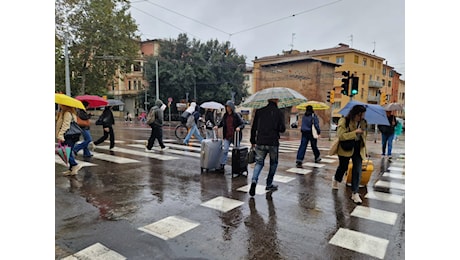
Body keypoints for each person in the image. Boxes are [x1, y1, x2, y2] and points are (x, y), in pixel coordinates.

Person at [248, 98, 286, 196]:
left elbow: (254, 127)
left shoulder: (260, 111)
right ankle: (269, 184)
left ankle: (254, 181)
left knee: (259, 163)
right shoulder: (279, 112)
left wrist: (252, 140)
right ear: (276, 100)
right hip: (273, 142)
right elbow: (282, 129)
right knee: (273, 163)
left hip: (260, 141)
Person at [332, 104, 368, 204]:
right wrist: (355, 132)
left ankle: (355, 193)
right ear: (355, 114)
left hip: (357, 148)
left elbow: (364, 137)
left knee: (357, 170)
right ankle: (336, 179)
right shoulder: (344, 121)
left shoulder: (363, 122)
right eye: (361, 115)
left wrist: (365, 149)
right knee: (343, 167)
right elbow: (341, 136)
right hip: (346, 147)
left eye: (363, 115)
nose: (362, 117)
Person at [213, 100, 245, 171]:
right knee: (225, 150)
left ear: (231, 108)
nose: (227, 108)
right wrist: (217, 126)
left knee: (236, 152)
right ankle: (222, 165)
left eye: (229, 107)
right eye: (227, 107)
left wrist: (239, 127)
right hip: (227, 136)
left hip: (235, 136)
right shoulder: (225, 116)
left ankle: (237, 166)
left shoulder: (236, 115)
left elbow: (242, 124)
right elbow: (221, 123)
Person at [56, 104, 83, 176]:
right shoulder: (66, 112)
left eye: (61, 105)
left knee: (65, 152)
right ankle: (71, 169)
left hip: (69, 136)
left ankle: (74, 165)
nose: (60, 106)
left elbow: (66, 125)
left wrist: (60, 135)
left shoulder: (67, 113)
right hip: (72, 136)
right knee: (68, 152)